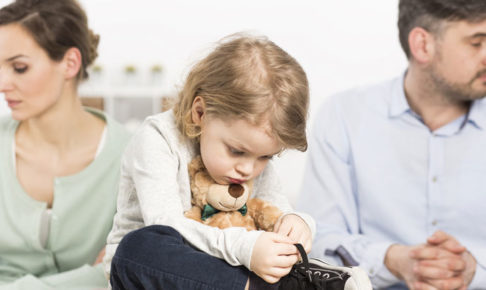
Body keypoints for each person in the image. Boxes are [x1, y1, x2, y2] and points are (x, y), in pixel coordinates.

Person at [104, 34, 370, 290]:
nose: (248, 169)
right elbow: (165, 224)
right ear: (200, 113)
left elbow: (273, 206)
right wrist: (246, 248)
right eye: (236, 151)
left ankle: (302, 281)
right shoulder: (157, 138)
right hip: (153, 280)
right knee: (137, 248)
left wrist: (296, 223)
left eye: (265, 157)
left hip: (226, 278)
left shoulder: (249, 157)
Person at [298, 0, 486, 289]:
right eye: (477, 43)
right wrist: (391, 260)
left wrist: (476, 270)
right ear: (423, 45)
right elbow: (315, 238)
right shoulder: (344, 117)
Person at [0, 0, 131, 289]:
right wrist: (92, 276)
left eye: (19, 68)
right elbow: (107, 273)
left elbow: (131, 272)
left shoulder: (133, 155)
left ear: (70, 63)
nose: (2, 84)